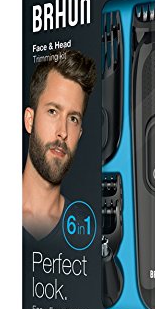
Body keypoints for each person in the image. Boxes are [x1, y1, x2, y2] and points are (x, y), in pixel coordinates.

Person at [23, 49, 96, 241]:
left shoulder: (86, 234)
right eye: (53, 111)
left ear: (80, 134)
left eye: (73, 119)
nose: (63, 132)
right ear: (29, 120)